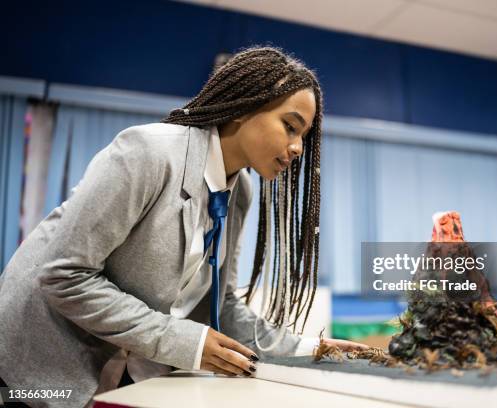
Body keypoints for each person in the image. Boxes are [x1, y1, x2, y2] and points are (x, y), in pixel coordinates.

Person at [0, 46, 367, 408]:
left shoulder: (240, 191)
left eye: (303, 136)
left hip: (117, 374)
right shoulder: (148, 152)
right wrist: (182, 340)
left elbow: (220, 306)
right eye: (290, 127)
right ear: (243, 108)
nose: (298, 147)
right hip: (31, 363)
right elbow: (65, 274)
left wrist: (308, 349)